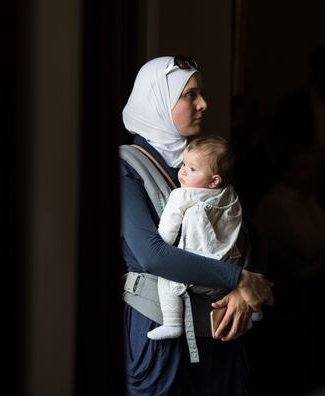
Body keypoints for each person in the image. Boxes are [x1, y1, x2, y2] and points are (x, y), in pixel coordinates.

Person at [119, 56, 274, 395]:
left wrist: (243, 294)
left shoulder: (207, 160)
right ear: (158, 101)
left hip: (222, 335)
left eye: (200, 93)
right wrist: (237, 278)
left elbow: (251, 237)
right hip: (160, 340)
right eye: (190, 95)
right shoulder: (127, 167)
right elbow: (152, 255)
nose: (203, 104)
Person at [147, 135, 261, 341]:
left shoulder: (182, 195)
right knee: (242, 280)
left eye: (192, 169)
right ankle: (253, 309)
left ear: (214, 180)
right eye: (183, 164)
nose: (182, 171)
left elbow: (168, 229)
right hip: (230, 261)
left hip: (201, 267)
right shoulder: (229, 193)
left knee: (167, 279)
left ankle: (172, 323)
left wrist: (161, 246)